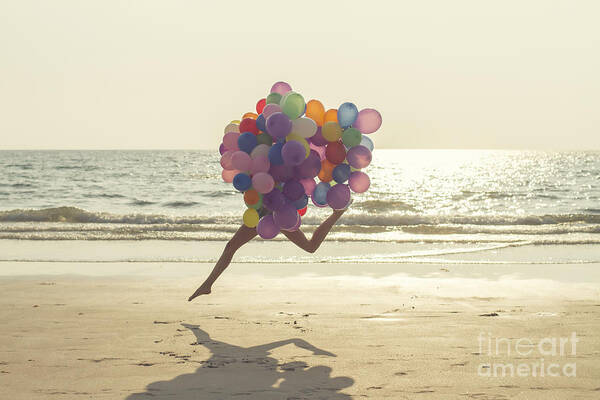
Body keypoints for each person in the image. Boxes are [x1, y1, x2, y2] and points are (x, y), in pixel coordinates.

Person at [188, 204, 350, 301]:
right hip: (264, 210)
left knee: (310, 247)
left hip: (280, 211)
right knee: (231, 246)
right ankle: (207, 285)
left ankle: (336, 214)